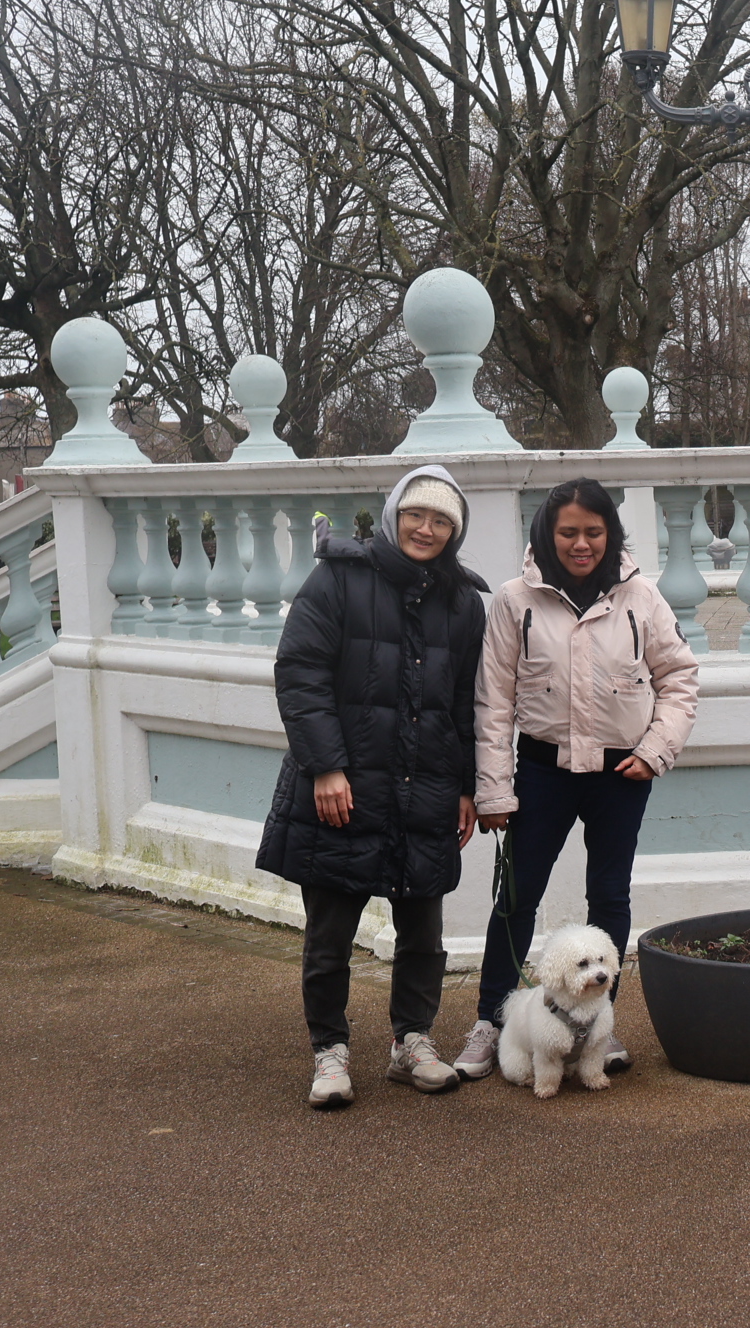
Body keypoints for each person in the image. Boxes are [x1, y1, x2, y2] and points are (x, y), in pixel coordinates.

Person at [258, 465, 489, 1109]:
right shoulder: (338, 577)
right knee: (330, 930)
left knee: (424, 929)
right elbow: (299, 672)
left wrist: (468, 785)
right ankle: (329, 1052)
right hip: (345, 787)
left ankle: (411, 1041)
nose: (427, 529)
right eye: (417, 514)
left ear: (455, 531)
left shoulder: (464, 603)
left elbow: (469, 703)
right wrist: (325, 766)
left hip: (427, 789)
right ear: (393, 515)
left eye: (442, 520)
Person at [456, 478, 700, 1079]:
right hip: (543, 769)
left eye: (594, 532)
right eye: (569, 532)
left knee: (609, 897)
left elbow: (679, 679)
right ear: (547, 533)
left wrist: (655, 750)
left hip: (623, 771)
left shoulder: (640, 596)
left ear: (609, 533)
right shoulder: (516, 600)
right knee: (517, 898)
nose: (582, 544)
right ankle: (492, 1019)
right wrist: (494, 790)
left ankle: (597, 1028)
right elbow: (493, 703)